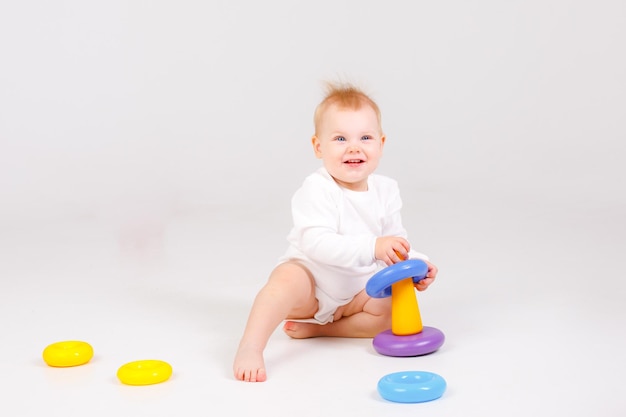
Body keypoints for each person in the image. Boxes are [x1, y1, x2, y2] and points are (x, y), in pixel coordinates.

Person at [233, 82, 438, 382]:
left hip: (358, 292)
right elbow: (317, 243)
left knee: (392, 311)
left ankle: (323, 330)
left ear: (381, 143)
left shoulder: (387, 190)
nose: (354, 147)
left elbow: (396, 242)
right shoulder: (317, 189)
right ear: (318, 147)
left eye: (365, 137)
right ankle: (250, 346)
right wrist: (373, 247)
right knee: (283, 283)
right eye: (340, 138)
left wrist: (418, 264)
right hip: (313, 285)